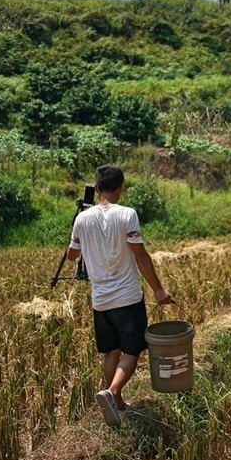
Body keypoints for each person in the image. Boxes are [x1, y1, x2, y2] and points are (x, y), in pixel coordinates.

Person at [67, 164, 172, 427]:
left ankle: (118, 403)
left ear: (98, 187)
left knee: (111, 350)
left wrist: (81, 229)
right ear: (120, 189)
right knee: (132, 350)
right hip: (127, 296)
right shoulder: (127, 215)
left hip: (100, 300)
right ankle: (113, 393)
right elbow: (140, 255)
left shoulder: (83, 219)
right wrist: (158, 290)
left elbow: (71, 255)